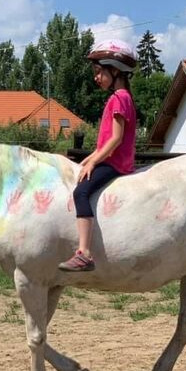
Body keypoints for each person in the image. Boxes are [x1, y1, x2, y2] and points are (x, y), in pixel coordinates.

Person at [58, 39, 138, 272]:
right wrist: (89, 157)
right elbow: (106, 141)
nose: (96, 78)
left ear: (115, 70)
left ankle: (84, 253)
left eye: (99, 72)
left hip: (115, 162)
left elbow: (116, 139)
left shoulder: (119, 98)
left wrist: (94, 160)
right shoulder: (121, 97)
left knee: (81, 192)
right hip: (111, 158)